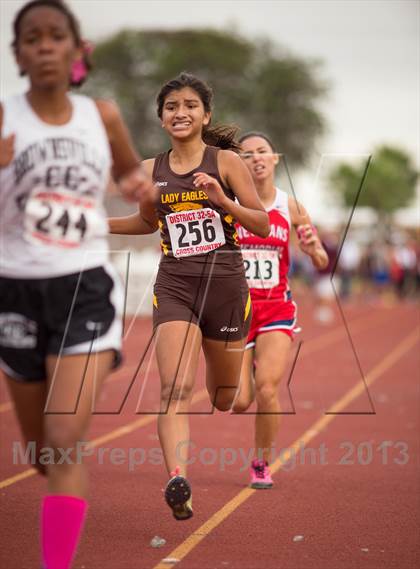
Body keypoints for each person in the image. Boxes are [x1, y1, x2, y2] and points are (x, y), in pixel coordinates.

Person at [0, 1, 153, 568]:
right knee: (43, 452)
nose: (44, 46)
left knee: (64, 439)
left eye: (55, 36)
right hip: (14, 291)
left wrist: (143, 187)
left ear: (74, 50)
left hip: (83, 287)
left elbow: (131, 173)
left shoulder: (102, 115)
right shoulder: (3, 118)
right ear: (18, 54)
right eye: (31, 38)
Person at [108, 73, 270, 519]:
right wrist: (97, 225)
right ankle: (177, 477)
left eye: (189, 106)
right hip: (175, 286)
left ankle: (244, 372)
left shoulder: (227, 163)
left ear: (206, 115)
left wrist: (223, 199)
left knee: (225, 398)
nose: (180, 113)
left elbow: (262, 224)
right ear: (161, 118)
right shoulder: (149, 171)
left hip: (226, 288)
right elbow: (145, 223)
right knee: (174, 389)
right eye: (171, 107)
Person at [231, 132, 328, 488]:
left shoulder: (292, 207)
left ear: (275, 158)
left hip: (276, 309)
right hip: (235, 313)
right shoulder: (229, 203)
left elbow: (320, 259)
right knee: (240, 401)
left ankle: (261, 462)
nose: (255, 158)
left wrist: (315, 248)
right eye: (245, 154)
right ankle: (245, 376)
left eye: (261, 152)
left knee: (268, 390)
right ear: (237, 163)